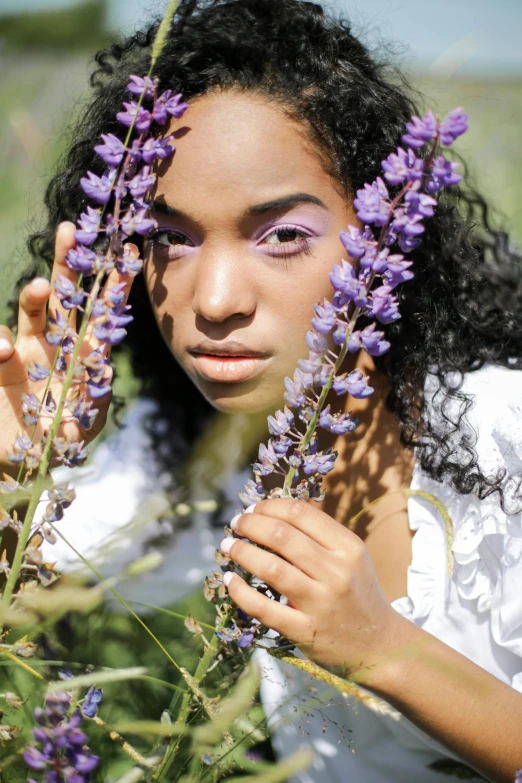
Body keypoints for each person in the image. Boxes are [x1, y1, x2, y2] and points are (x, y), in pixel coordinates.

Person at [1, 0, 522, 779]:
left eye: (282, 236)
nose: (212, 300)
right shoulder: (188, 451)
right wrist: (19, 479)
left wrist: (387, 650)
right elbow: (30, 612)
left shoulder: (504, 437)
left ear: (380, 233)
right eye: (168, 238)